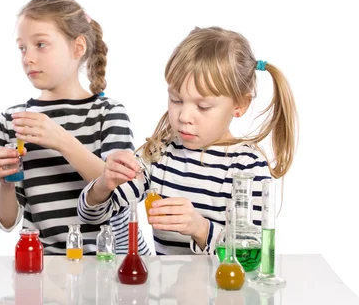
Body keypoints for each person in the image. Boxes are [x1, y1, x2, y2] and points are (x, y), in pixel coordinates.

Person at [78, 26, 297, 255]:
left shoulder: (247, 167)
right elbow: (92, 216)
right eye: (176, 100)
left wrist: (200, 228)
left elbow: (253, 256)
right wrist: (104, 184)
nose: (184, 117)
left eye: (203, 106)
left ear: (239, 105)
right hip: (165, 290)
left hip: (224, 290)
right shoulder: (158, 156)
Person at [0, 0, 150, 255]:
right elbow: (7, 221)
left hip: (113, 265)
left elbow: (122, 190)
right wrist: (5, 182)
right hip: (50, 270)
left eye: (40, 44)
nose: (28, 58)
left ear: (77, 48)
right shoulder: (13, 119)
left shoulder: (107, 112)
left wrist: (62, 140)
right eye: (22, 48)